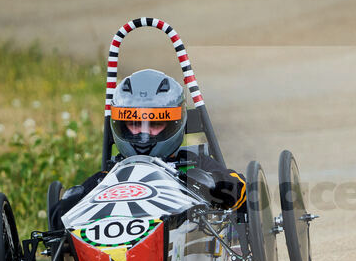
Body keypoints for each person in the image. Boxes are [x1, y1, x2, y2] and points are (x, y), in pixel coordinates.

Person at [51, 68, 245, 227]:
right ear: (119, 124)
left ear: (175, 124)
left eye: (154, 125)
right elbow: (60, 220)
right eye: (135, 125)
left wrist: (211, 184)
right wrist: (70, 201)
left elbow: (240, 188)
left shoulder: (194, 164)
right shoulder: (108, 175)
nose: (143, 136)